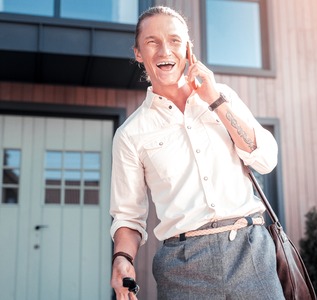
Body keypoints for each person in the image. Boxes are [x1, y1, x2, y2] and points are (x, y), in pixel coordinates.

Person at [109, 6, 284, 300]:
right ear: (138, 53)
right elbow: (128, 216)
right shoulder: (130, 134)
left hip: (250, 251)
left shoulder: (222, 95)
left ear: (188, 49)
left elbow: (265, 160)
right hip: (183, 266)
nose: (165, 50)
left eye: (175, 40)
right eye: (152, 42)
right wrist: (122, 258)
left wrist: (214, 99)